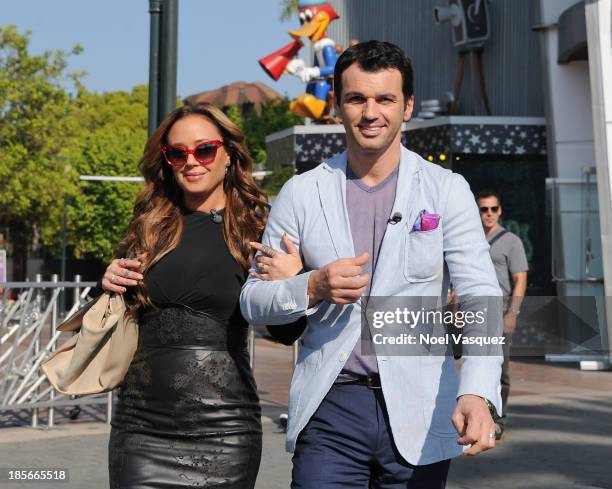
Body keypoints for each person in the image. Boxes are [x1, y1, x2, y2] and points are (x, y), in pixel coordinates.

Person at [240, 40, 504, 488]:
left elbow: (481, 292)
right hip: (331, 408)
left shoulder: (445, 189)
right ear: (337, 106)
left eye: (385, 99)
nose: (370, 112)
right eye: (357, 98)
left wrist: (478, 392)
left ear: (408, 107)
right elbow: (253, 299)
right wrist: (312, 286)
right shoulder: (302, 193)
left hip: (421, 406)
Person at [99, 103, 301, 489]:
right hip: (140, 428)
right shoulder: (149, 225)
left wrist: (290, 285)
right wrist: (106, 281)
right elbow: (115, 311)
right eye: (177, 153)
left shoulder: (259, 227)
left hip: (225, 432)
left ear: (229, 154)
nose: (191, 162)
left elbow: (288, 333)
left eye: (204, 149)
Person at [477, 189, 528, 440]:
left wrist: (513, 314)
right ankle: (479, 416)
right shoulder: (471, 239)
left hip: (499, 309)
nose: (489, 214)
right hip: (474, 310)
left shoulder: (511, 241)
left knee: (500, 368)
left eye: (493, 209)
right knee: (473, 366)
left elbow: (520, 279)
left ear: (500, 211)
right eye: (484, 209)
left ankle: (499, 419)